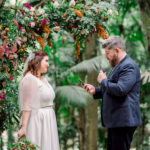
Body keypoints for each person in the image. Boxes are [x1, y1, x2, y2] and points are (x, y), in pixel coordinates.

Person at [82, 36, 142, 150]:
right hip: (116, 121)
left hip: (123, 121)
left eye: (107, 52)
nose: (106, 56)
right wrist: (96, 90)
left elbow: (120, 90)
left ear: (117, 51)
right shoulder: (118, 66)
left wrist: (103, 81)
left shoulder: (128, 66)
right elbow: (113, 90)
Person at [17, 50, 60, 150]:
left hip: (48, 119)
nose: (48, 64)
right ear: (37, 61)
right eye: (46, 61)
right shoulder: (29, 79)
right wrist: (23, 127)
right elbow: (27, 105)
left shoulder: (43, 78)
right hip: (37, 120)